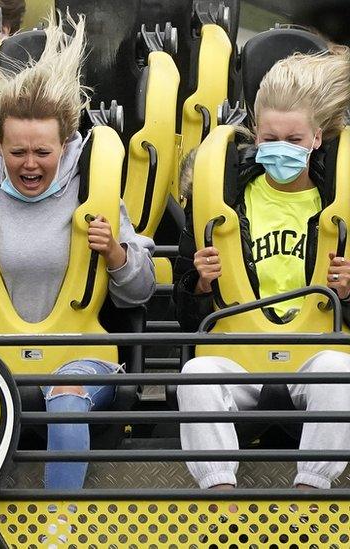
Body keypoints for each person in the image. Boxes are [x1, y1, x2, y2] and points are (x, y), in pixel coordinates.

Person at [0, 12, 156, 490]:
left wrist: (113, 252)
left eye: (43, 153)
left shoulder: (96, 186)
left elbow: (141, 291)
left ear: (65, 143)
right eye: (17, 152)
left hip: (78, 353)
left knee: (67, 396)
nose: (30, 164)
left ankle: (56, 528)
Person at [174, 48, 350, 490]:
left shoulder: (340, 204)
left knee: (340, 369)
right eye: (270, 138)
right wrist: (198, 283)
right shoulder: (222, 197)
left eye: (294, 141)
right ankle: (220, 499)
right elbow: (188, 317)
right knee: (196, 374)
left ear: (316, 138)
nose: (280, 150)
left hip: (314, 355)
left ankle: (309, 492)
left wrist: (348, 294)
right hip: (240, 356)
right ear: (255, 133)